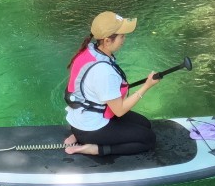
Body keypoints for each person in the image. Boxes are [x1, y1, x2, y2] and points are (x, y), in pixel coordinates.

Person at [62, 11, 159, 158]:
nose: (124, 39)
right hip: (90, 127)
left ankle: (78, 135)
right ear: (107, 41)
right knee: (149, 139)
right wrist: (146, 86)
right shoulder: (104, 72)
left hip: (81, 119)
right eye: (121, 36)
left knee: (145, 124)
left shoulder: (90, 49)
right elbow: (119, 111)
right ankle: (95, 149)